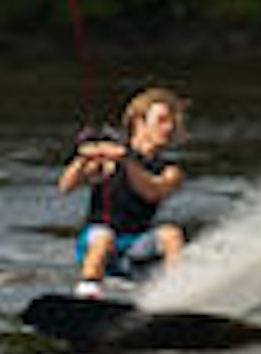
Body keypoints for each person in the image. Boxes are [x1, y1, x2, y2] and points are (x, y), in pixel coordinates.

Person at [57, 87, 187, 300]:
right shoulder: (108, 161)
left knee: (171, 234)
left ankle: (176, 295)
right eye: (162, 120)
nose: (169, 128)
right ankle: (88, 293)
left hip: (136, 249)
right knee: (104, 236)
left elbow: (152, 192)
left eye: (172, 122)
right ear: (139, 122)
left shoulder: (170, 170)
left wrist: (127, 160)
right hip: (98, 244)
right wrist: (83, 159)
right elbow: (66, 186)